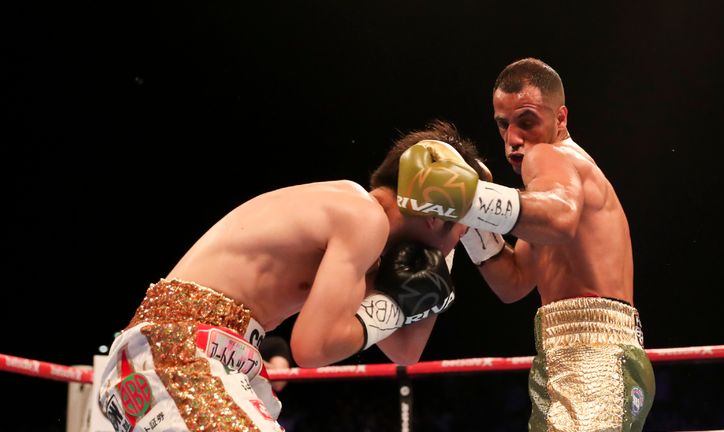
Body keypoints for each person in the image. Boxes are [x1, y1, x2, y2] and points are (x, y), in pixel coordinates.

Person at [97, 120, 485, 432]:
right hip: (180, 352)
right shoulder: (362, 217)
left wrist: (430, 286)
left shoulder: (366, 244)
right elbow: (313, 349)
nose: (460, 243)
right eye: (464, 227)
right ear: (436, 215)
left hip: (209, 355)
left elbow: (405, 352)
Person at [456, 57, 655, 430]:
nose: (514, 138)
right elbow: (514, 282)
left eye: (527, 121)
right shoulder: (549, 195)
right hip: (570, 355)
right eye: (503, 125)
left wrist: (465, 199)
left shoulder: (552, 157)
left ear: (560, 118)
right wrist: (471, 224)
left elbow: (559, 218)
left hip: (593, 359)